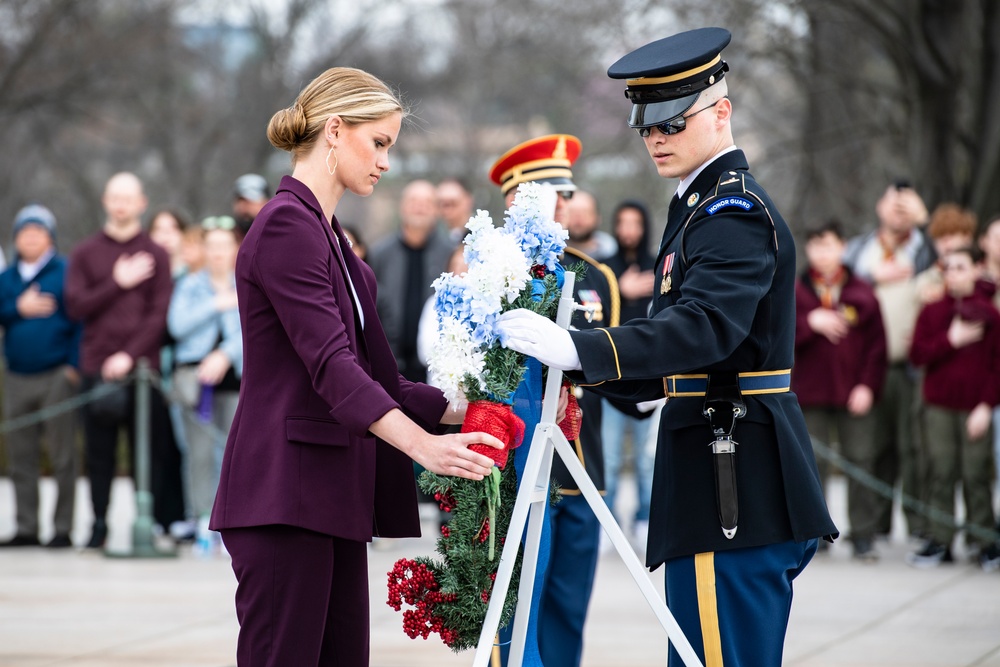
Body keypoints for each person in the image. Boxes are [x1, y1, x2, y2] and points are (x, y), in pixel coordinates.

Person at [496, 28, 837, 666]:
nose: (656, 137)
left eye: (673, 122)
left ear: (722, 112)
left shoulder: (729, 213)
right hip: (715, 465)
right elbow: (687, 351)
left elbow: (705, 328)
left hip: (730, 473)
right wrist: (582, 372)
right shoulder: (699, 208)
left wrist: (583, 350)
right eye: (646, 124)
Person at [208, 66, 503, 667]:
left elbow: (383, 381)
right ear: (336, 131)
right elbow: (333, 368)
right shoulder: (287, 226)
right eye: (380, 143)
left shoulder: (332, 237)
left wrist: (482, 406)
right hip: (283, 495)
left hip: (328, 495)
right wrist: (424, 447)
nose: (385, 162)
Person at [489, 133, 621, 667]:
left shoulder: (594, 276)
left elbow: (613, 365)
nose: (564, 203)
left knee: (567, 608)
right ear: (516, 200)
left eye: (565, 193)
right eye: (550, 192)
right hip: (518, 463)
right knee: (516, 607)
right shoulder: (493, 272)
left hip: (582, 464)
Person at [64, 172, 183, 549]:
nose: (120, 204)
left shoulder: (156, 254)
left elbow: (158, 315)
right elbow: (75, 306)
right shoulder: (85, 252)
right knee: (98, 454)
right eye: (114, 197)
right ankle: (98, 525)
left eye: (128, 198)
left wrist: (128, 356)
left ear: (141, 203)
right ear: (105, 200)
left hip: (142, 372)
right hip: (95, 368)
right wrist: (117, 281)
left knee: (147, 454)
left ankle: (144, 526)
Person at [793, 219, 887, 561]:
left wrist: (867, 386)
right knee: (809, 463)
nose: (822, 253)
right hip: (809, 393)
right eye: (816, 246)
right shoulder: (796, 291)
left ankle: (863, 534)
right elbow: (778, 339)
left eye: (829, 245)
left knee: (860, 460)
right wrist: (809, 323)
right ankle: (814, 532)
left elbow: (878, 347)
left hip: (853, 393)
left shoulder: (861, 291)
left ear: (843, 247)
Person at [843, 180, 933, 538]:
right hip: (868, 365)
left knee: (914, 449)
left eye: (905, 203)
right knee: (873, 447)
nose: (898, 208)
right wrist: (871, 276)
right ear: (879, 205)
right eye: (892, 200)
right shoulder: (860, 249)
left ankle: (919, 529)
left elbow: (949, 267)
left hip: (912, 368)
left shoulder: (923, 249)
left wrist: (923, 224)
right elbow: (841, 283)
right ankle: (875, 526)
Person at [908, 245, 1000, 567]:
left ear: (977, 268)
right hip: (938, 407)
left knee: (975, 473)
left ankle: (984, 539)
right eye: (948, 268)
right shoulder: (932, 311)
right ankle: (940, 539)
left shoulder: (990, 312)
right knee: (940, 471)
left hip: (975, 407)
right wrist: (952, 339)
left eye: (961, 267)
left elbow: (996, 365)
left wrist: (986, 406)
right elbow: (917, 354)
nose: (954, 274)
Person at [0, 204, 81, 548]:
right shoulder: (7, 278)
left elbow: (80, 319)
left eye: (38, 231)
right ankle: (26, 527)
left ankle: (62, 528)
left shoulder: (65, 271)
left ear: (50, 237)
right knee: (22, 457)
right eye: (25, 231)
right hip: (17, 375)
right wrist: (18, 308)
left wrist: (73, 367)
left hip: (56, 374)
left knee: (63, 456)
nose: (31, 237)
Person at [168, 215, 242, 554]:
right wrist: (215, 303)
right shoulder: (189, 284)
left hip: (235, 377)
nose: (217, 253)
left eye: (224, 246)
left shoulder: (246, 284)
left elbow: (254, 330)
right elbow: (177, 325)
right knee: (196, 453)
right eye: (211, 246)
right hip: (195, 381)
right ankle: (200, 518)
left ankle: (230, 523)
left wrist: (225, 354)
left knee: (232, 452)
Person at [601, 199, 659, 546]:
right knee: (608, 456)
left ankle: (644, 518)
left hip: (650, 376)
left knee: (646, 459)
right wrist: (619, 291)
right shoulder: (607, 269)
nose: (628, 231)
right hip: (610, 376)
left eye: (635, 223)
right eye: (622, 223)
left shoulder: (658, 265)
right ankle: (607, 520)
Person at [368, 179, 454, 383]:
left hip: (436, 373)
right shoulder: (380, 254)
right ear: (402, 207)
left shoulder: (451, 256)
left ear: (437, 210)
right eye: (413, 200)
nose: (420, 206)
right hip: (386, 367)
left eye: (427, 201)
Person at [914, 203, 977, 305]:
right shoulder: (927, 278)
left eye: (952, 233)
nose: (945, 241)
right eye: (939, 236)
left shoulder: (983, 272)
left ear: (967, 237)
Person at [565, 190, 618, 261]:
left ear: (598, 217)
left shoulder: (613, 254)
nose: (578, 219)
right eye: (572, 213)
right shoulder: (553, 256)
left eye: (585, 213)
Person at [149, 208, 193, 278]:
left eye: (173, 229)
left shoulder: (196, 273)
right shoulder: (144, 273)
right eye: (159, 229)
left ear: (184, 234)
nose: (166, 235)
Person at [436, 177, 475, 245]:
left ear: (468, 201)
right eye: (442, 204)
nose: (447, 210)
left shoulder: (485, 235)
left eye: (453, 203)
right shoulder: (431, 237)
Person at [232, 173, 271, 238]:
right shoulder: (227, 237)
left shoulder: (275, 234)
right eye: (241, 201)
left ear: (266, 202)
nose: (244, 207)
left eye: (251, 201)